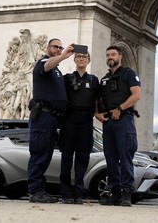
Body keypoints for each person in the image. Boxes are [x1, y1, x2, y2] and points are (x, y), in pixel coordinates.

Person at [27, 38, 74, 203]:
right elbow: (47, 66)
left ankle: (40, 189)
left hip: (52, 118)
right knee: (40, 154)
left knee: (45, 155)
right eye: (56, 47)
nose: (59, 49)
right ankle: (35, 191)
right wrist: (64, 56)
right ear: (48, 47)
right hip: (43, 116)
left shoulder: (57, 70)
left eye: (61, 48)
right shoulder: (43, 63)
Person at [95, 46, 141, 207]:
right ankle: (114, 194)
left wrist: (120, 109)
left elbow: (136, 95)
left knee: (125, 156)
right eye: (107, 55)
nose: (110, 57)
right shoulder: (104, 79)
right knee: (111, 158)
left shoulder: (129, 74)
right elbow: (97, 99)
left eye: (113, 54)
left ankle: (127, 194)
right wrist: (97, 114)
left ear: (120, 57)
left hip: (124, 119)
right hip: (108, 122)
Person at [59, 52, 99, 204]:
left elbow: (97, 100)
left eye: (84, 57)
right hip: (69, 120)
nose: (81, 59)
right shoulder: (67, 78)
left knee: (83, 158)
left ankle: (78, 193)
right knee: (66, 158)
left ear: (89, 60)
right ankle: (66, 194)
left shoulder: (94, 80)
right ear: (74, 60)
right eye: (78, 57)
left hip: (86, 121)